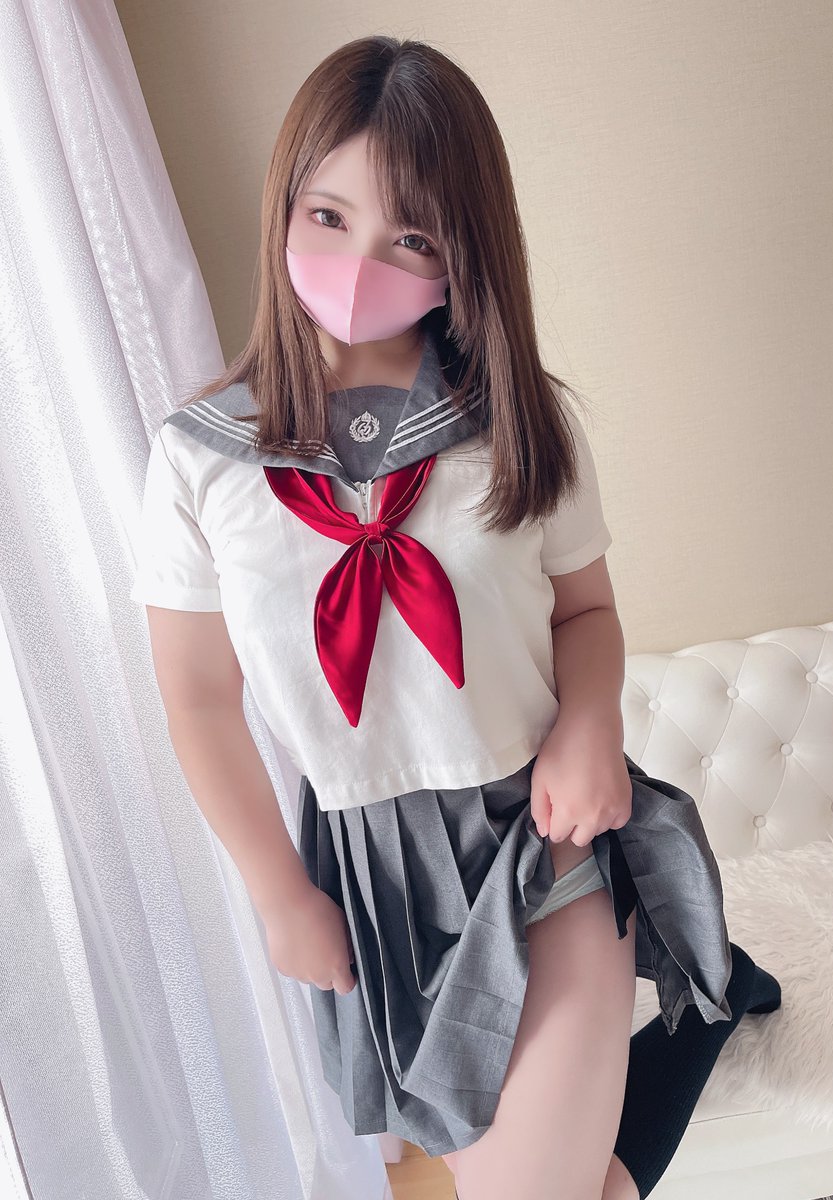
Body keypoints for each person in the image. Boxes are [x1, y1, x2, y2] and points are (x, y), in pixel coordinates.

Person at [130, 35, 781, 1200]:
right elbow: (198, 696)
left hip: (538, 840)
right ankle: (710, 1013)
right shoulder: (200, 460)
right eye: (328, 216)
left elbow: (587, 612)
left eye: (412, 237)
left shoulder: (521, 425)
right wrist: (278, 891)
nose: (359, 263)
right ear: (284, 209)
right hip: (372, 882)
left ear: (462, 253)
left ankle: (686, 992)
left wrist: (588, 725)